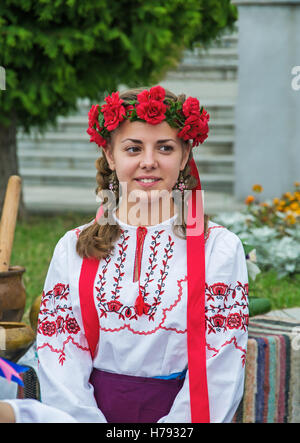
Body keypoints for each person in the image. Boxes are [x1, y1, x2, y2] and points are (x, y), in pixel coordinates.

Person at [0, 86, 249, 423]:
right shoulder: (72, 248)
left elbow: (219, 366)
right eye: (133, 148)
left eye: (164, 147)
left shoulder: (219, 249)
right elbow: (61, 358)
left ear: (185, 155)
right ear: (111, 155)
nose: (149, 161)